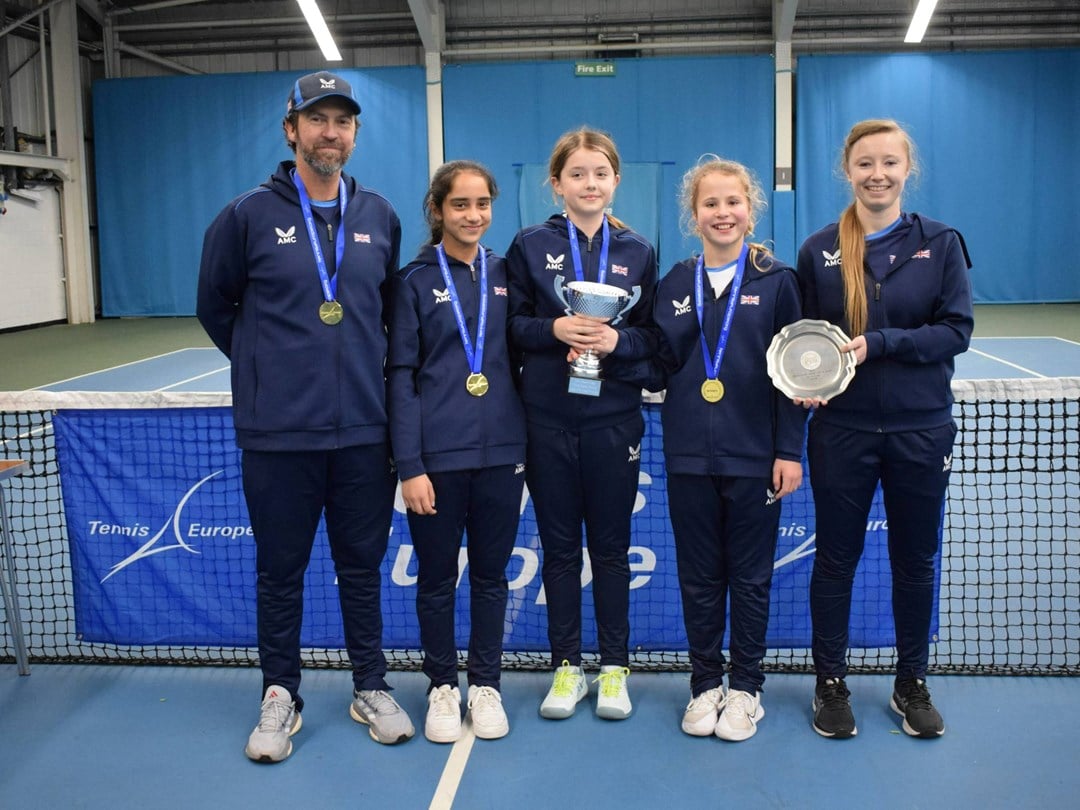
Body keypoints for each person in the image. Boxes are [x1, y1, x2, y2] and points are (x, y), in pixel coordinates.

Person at [197, 70, 414, 763]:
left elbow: (384, 314)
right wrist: (271, 372)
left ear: (354, 134)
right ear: (291, 129)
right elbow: (215, 306)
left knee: (360, 567)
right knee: (280, 571)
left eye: (342, 121)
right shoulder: (245, 216)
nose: (331, 133)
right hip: (279, 437)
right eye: (317, 120)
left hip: (363, 435)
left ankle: (370, 685)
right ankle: (279, 694)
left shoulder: (379, 215)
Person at [795, 119, 973, 740]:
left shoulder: (942, 242)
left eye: (889, 163)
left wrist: (880, 344)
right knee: (836, 559)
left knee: (915, 560)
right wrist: (803, 380)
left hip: (920, 430)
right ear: (848, 170)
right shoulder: (819, 248)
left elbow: (956, 331)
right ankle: (830, 683)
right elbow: (804, 343)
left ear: (907, 170)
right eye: (865, 163)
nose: (878, 174)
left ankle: (910, 682)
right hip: (840, 433)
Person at [646, 157, 804, 741]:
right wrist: (603, 348)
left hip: (755, 458)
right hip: (688, 456)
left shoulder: (778, 280)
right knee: (699, 578)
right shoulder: (674, 283)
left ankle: (746, 690)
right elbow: (660, 360)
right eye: (710, 203)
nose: (722, 213)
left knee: (751, 577)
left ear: (750, 208)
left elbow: (794, 377)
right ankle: (704, 685)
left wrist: (789, 450)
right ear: (694, 214)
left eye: (732, 202)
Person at [506, 128, 659, 721]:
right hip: (546, 421)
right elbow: (510, 326)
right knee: (562, 550)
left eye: (600, 173)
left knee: (613, 551)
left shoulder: (639, 251)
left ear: (615, 181)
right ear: (557, 183)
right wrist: (554, 331)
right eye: (577, 174)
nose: (589, 183)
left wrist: (615, 340)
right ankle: (567, 668)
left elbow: (652, 338)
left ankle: (614, 669)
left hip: (613, 422)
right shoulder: (527, 245)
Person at [386, 161, 527, 743]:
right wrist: (410, 465)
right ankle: (443, 686)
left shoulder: (507, 273)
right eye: (461, 205)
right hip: (437, 462)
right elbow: (400, 376)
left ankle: (486, 684)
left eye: (483, 204)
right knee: (438, 580)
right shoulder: (414, 281)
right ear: (438, 210)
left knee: (492, 578)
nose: (473, 216)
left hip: (502, 455)